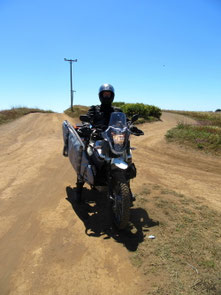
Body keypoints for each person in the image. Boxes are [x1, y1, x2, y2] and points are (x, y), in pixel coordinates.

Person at [75, 83, 121, 202]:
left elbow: (124, 121)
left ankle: (124, 186)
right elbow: (88, 119)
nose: (106, 96)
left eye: (108, 94)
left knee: (124, 155)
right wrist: (86, 126)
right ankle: (79, 186)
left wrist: (131, 126)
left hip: (114, 139)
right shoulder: (95, 109)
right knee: (86, 156)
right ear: (100, 95)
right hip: (97, 138)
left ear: (112, 96)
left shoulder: (117, 110)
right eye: (104, 94)